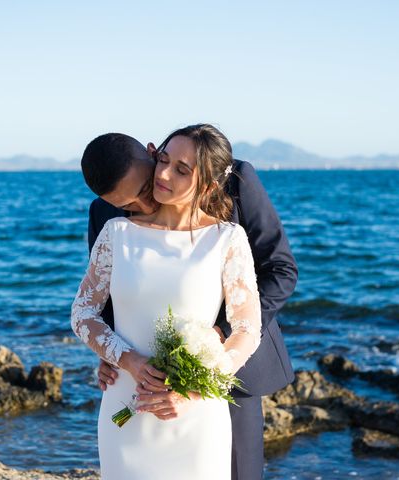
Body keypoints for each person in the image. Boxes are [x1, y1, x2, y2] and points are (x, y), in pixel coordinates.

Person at [79, 125, 298, 480]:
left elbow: (280, 269)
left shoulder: (233, 178)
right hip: (137, 387)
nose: (142, 205)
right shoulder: (108, 216)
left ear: (151, 152)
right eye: (127, 205)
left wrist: (211, 340)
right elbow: (108, 297)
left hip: (229, 369)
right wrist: (112, 354)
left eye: (143, 190)